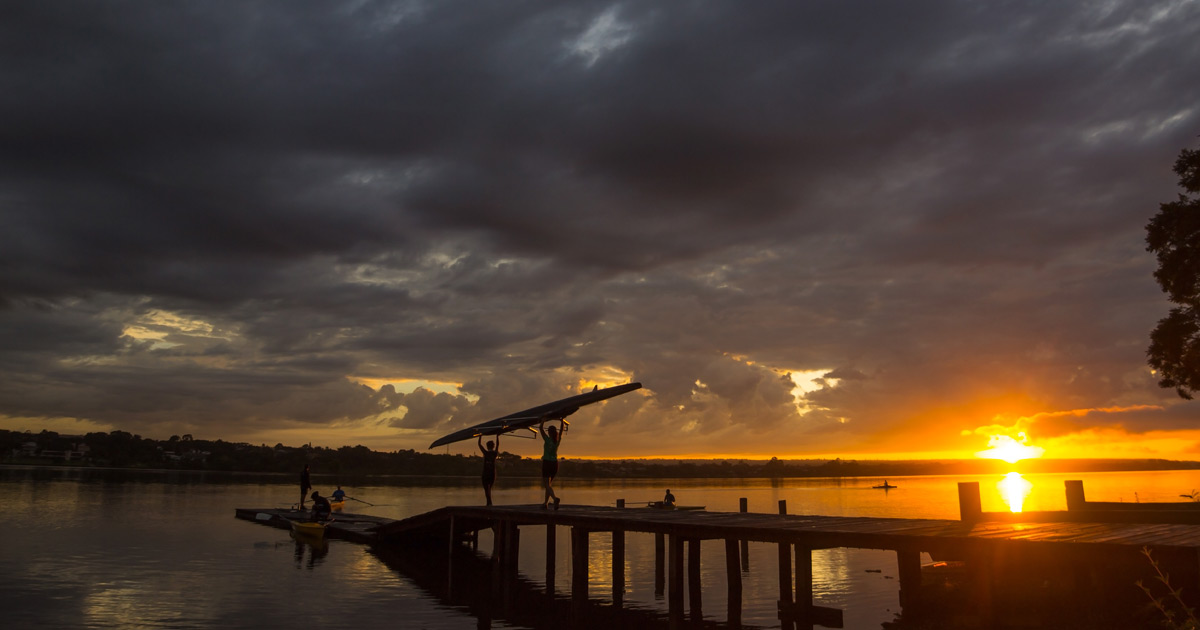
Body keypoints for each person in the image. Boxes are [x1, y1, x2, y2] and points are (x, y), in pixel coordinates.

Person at [538, 418, 565, 509]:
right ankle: (545, 503)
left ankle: (555, 498)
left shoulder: (547, 439)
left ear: (549, 432)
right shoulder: (557, 440)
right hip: (554, 464)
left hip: (547, 463)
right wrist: (562, 421)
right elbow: (561, 430)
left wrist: (543, 420)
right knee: (549, 485)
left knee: (546, 484)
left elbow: (540, 428)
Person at [478, 434, 500, 507]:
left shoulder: (486, 453)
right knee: (489, 488)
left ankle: (489, 503)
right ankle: (489, 503)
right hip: (492, 474)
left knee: (486, 489)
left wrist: (480, 436)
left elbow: (479, 444)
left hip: (486, 473)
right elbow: (498, 445)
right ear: (492, 446)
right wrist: (497, 436)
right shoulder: (494, 453)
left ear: (487, 446)